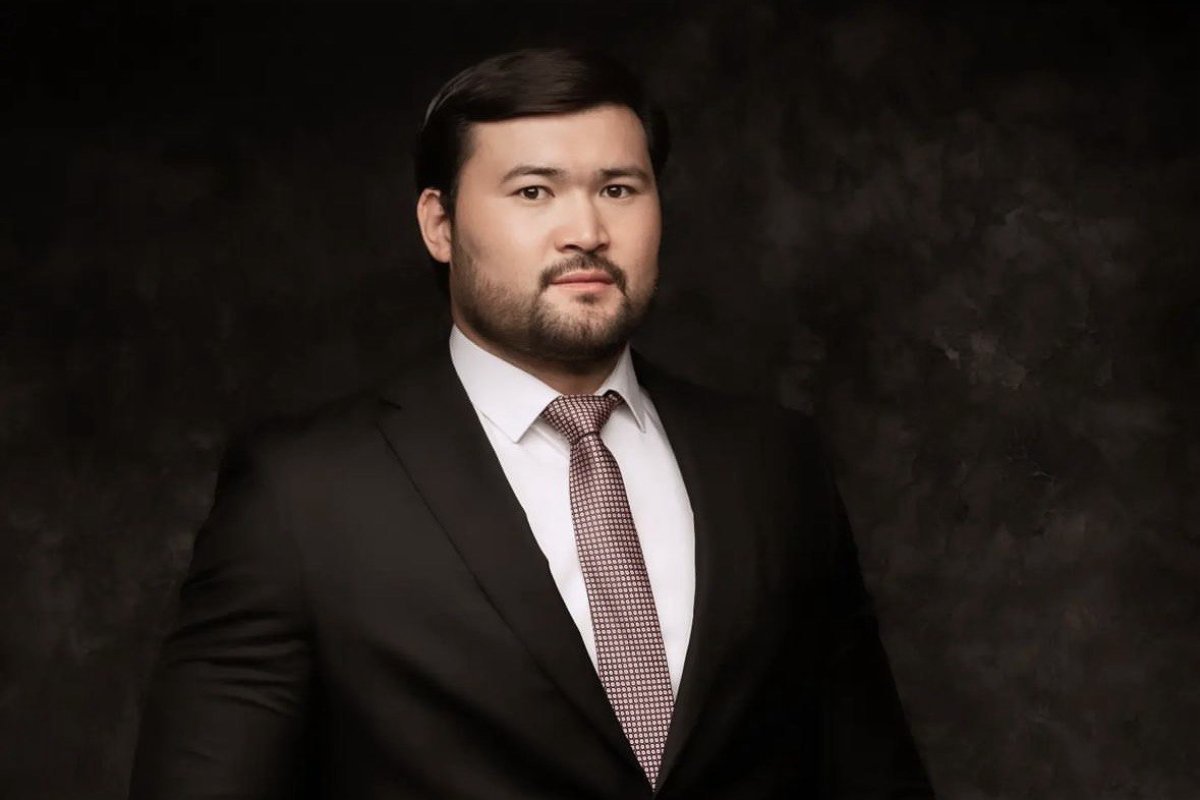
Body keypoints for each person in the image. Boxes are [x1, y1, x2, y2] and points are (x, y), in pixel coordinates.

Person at [129, 46, 935, 799]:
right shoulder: (302, 494)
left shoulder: (775, 463)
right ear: (439, 225)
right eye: (533, 192)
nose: (586, 232)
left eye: (618, 189)